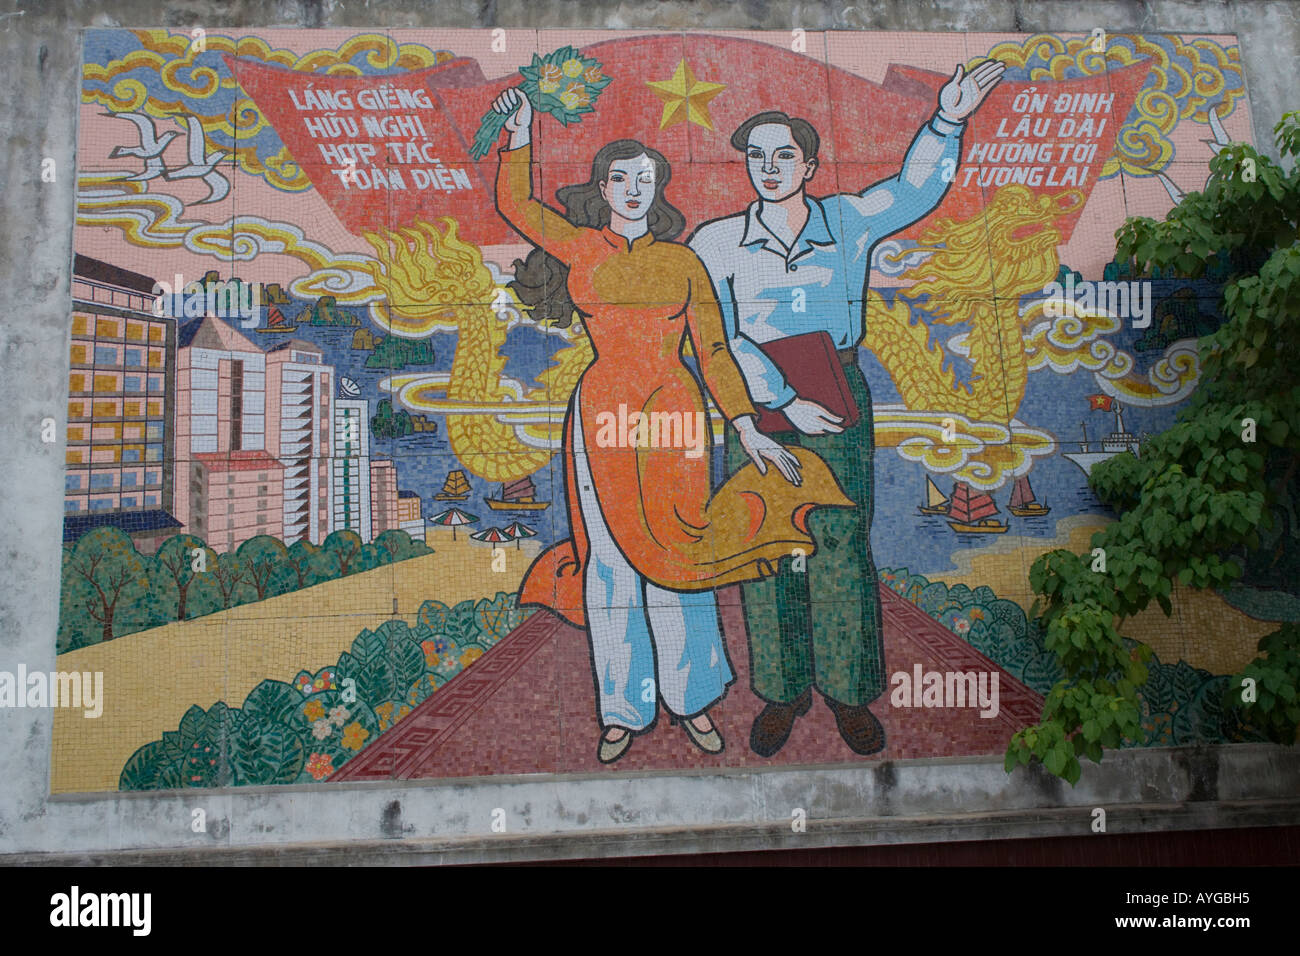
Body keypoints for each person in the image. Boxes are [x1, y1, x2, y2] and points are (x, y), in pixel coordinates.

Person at [488, 88, 853, 764]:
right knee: (612, 565)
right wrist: (519, 133)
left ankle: (692, 701)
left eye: (645, 180)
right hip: (601, 416)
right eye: (619, 178)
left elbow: (714, 350)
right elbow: (515, 205)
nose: (632, 189)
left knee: (680, 555)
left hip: (678, 416)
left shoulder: (684, 261)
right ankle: (623, 709)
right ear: (602, 188)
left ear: (657, 193)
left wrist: (746, 427)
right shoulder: (579, 248)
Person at [688, 59, 1006, 758]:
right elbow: (717, 336)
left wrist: (948, 118)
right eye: (756, 156)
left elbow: (914, 190)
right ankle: (782, 690)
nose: (768, 167)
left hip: (836, 391)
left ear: (808, 165)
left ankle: (846, 690)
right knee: (767, 544)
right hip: (760, 402)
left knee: (838, 543)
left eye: (784, 156)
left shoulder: (847, 220)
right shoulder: (714, 243)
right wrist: (779, 400)